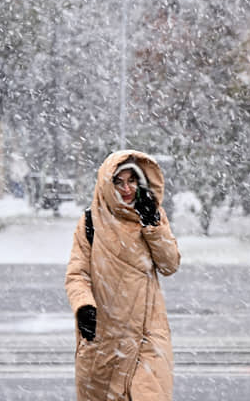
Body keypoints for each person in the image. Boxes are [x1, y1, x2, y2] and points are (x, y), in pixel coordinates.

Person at [65, 150, 181, 401]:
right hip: (105, 336)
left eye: (132, 181)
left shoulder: (152, 215)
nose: (126, 188)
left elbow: (169, 264)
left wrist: (153, 227)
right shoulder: (90, 222)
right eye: (119, 181)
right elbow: (77, 274)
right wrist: (84, 306)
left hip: (147, 336)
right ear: (108, 183)